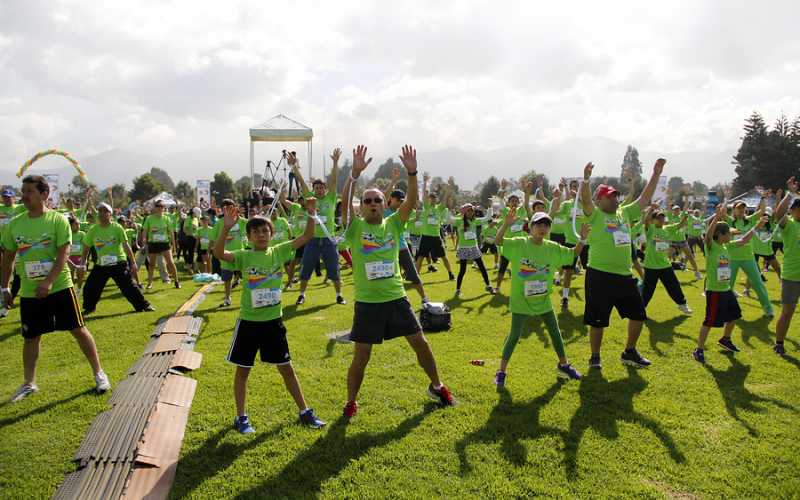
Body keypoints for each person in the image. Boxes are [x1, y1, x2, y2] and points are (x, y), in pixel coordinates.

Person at [340, 145, 455, 419]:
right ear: (362, 206)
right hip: (368, 303)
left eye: (377, 200)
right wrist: (353, 176)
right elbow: (344, 204)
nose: (371, 204)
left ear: (384, 204)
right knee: (361, 357)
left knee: (421, 343)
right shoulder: (355, 228)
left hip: (395, 298)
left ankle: (437, 386)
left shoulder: (394, 224)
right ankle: (351, 401)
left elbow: (412, 199)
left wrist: (412, 173)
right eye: (367, 201)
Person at [213, 199, 325, 434]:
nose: (261, 234)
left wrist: (312, 214)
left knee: (286, 368)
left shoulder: (280, 251)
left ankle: (305, 411)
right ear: (249, 237)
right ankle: (241, 417)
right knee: (243, 370)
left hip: (273, 323)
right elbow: (218, 253)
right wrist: (225, 227)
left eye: (265, 230)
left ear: (272, 233)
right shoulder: (244, 256)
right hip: (249, 324)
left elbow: (305, 237)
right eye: (256, 231)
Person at [1, 175, 110, 402]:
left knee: (78, 329)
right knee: (31, 337)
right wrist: (4, 288)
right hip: (31, 291)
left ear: (44, 195)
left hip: (59, 286)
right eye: (23, 190)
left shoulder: (58, 221)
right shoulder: (15, 224)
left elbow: (64, 255)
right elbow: (8, 258)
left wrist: (48, 282)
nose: (25, 195)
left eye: (29, 191)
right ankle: (29, 383)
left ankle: (99, 373)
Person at [580, 158, 664, 369]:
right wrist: (586, 179)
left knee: (638, 315)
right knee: (597, 321)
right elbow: (586, 201)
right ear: (600, 201)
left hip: (624, 276)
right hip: (599, 275)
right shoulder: (595, 214)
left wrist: (655, 174)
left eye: (617, 196)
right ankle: (595, 356)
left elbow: (644, 198)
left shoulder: (624, 213)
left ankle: (629, 352)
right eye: (611, 197)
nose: (616, 199)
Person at [493, 208, 588, 387]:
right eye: (539, 224)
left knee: (555, 333)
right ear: (530, 227)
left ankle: (564, 365)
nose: (543, 228)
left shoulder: (552, 248)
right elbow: (498, 241)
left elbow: (574, 253)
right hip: (521, 300)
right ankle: (501, 372)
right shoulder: (519, 244)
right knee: (514, 336)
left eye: (546, 225)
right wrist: (506, 224)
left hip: (543, 301)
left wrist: (582, 239)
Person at [693, 205, 768, 363]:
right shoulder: (711, 247)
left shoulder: (727, 246)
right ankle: (698, 349)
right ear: (720, 235)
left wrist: (756, 226)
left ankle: (725, 339)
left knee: (734, 316)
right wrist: (716, 217)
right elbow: (707, 236)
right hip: (714, 291)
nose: (730, 235)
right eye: (727, 233)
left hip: (726, 290)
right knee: (709, 321)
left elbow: (743, 240)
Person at [289, 149, 345, 305]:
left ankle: (339, 295)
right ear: (314, 189)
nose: (319, 190)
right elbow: (301, 183)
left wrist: (334, 162)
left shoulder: (331, 197)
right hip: (312, 240)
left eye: (322, 187)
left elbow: (334, 180)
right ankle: (301, 294)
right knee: (305, 269)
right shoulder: (310, 199)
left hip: (328, 240)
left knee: (334, 269)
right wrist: (294, 168)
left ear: (325, 189)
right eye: (317, 188)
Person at [81, 203, 153, 315]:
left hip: (118, 263)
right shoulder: (93, 230)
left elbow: (126, 246)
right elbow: (86, 248)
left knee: (129, 286)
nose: (102, 214)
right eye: (100, 211)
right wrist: (82, 264)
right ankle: (89, 308)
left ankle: (144, 305)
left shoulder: (117, 228)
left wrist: (133, 263)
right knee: (90, 287)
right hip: (101, 265)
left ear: (110, 214)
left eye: (105, 211)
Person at [382, 169, 429, 303]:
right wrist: (393, 181)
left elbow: (412, 198)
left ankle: (424, 299)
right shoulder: (384, 209)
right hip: (386, 249)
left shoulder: (401, 213)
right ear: (392, 199)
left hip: (402, 247)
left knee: (413, 275)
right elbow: (384, 197)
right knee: (387, 277)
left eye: (403, 200)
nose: (401, 203)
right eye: (399, 200)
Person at [640, 205, 692, 314]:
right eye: (658, 218)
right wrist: (650, 209)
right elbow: (646, 221)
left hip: (665, 265)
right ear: (653, 220)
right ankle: (641, 309)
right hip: (651, 266)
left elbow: (679, 225)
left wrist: (686, 215)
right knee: (647, 291)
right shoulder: (651, 229)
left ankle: (682, 304)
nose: (661, 220)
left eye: (662, 217)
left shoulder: (667, 229)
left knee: (674, 285)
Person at [726, 199, 773, 318]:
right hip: (732, 258)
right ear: (734, 210)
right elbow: (720, 214)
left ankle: (768, 309)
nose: (742, 210)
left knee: (758, 283)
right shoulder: (729, 221)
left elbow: (762, 210)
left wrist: (763, 198)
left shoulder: (750, 220)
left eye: (743, 208)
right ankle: (726, 310)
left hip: (748, 258)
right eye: (739, 208)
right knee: (727, 286)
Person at [772, 178, 800, 356]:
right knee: (788, 312)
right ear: (794, 210)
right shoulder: (789, 224)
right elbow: (778, 214)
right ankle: (779, 343)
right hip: (791, 276)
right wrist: (789, 194)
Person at [415, 174, 455, 280]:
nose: (432, 199)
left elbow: (445, 197)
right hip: (426, 236)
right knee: (420, 257)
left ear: (436, 199)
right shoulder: (426, 207)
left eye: (434, 198)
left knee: (444, 257)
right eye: (430, 198)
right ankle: (416, 277)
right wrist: (425, 182)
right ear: (428, 200)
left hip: (436, 237)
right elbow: (423, 194)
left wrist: (449, 186)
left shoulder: (439, 208)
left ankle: (450, 273)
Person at [449, 202, 493, 296]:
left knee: (482, 268)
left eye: (472, 210)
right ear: (464, 212)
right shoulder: (459, 221)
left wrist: (489, 207)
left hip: (474, 248)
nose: (471, 212)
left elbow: (487, 218)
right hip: (464, 248)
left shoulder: (475, 221)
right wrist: (447, 208)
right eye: (468, 210)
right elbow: (448, 219)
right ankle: (457, 290)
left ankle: (488, 286)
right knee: (462, 270)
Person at [211, 199, 247, 307]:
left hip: (241, 254)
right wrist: (223, 238)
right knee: (227, 279)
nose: (228, 209)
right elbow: (213, 238)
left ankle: (248, 298)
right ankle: (227, 298)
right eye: (225, 207)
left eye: (230, 206)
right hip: (225, 254)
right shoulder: (219, 223)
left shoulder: (242, 221)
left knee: (248, 277)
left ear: (235, 207)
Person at [141, 200, 180, 289]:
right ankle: (149, 283)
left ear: (164, 208)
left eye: (161, 206)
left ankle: (177, 281)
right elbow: (145, 231)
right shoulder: (149, 218)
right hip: (153, 244)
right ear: (155, 207)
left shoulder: (167, 218)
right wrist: (144, 240)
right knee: (151, 264)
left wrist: (174, 245)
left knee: (170, 263)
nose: (159, 208)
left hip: (164, 244)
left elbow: (171, 233)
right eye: (158, 206)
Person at [666, 204, 702, 279]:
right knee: (667, 257)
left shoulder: (681, 217)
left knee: (690, 257)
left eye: (678, 209)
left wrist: (687, 201)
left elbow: (686, 210)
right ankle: (666, 273)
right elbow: (668, 207)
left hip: (682, 241)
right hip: (673, 241)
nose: (677, 211)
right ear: (673, 211)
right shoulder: (670, 217)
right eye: (675, 209)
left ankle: (697, 272)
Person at [66, 216, 87, 294]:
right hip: (69, 257)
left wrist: (84, 259)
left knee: (80, 275)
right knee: (70, 276)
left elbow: (85, 246)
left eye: (79, 224)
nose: (78, 226)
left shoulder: (82, 234)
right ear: (70, 225)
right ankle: (71, 291)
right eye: (76, 224)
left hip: (80, 257)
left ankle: (79, 289)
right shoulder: (67, 234)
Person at [182, 207, 200, 274]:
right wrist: (191, 234)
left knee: (196, 253)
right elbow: (185, 229)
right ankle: (189, 268)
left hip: (196, 238)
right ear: (193, 213)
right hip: (190, 238)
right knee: (191, 253)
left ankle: (194, 267)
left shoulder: (196, 219)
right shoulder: (188, 218)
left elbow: (197, 229)